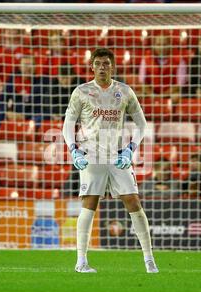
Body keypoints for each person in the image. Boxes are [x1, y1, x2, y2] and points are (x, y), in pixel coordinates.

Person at [62, 48, 158, 273]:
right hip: (91, 155)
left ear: (113, 66)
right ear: (91, 66)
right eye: (98, 63)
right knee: (89, 203)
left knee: (133, 201)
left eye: (106, 63)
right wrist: (73, 150)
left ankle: (149, 259)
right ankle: (81, 261)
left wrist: (131, 149)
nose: (102, 67)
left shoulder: (124, 91)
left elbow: (142, 125)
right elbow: (68, 124)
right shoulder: (81, 91)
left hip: (117, 155)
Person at [0, 55, 48, 126]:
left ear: (35, 67)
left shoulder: (41, 82)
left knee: (41, 118)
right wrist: (8, 112)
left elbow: (40, 107)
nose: (27, 68)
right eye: (25, 65)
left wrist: (24, 116)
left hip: (32, 115)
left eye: (30, 65)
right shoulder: (12, 79)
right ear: (20, 67)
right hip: (13, 113)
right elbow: (1, 100)